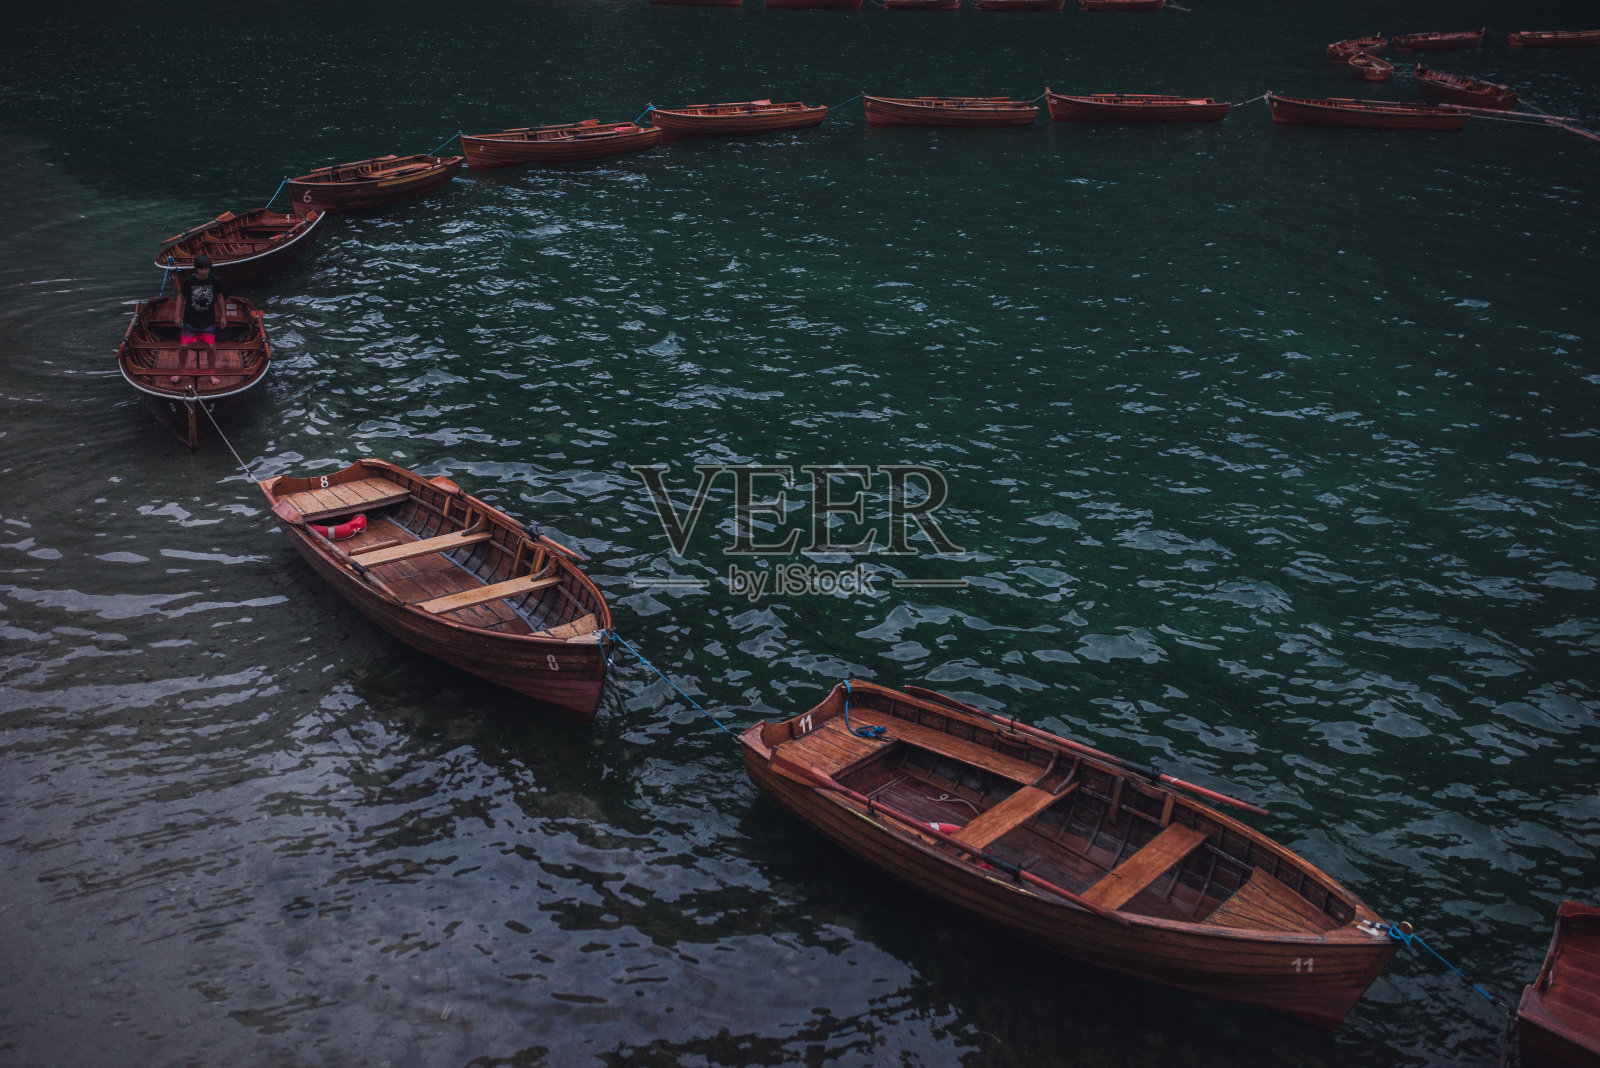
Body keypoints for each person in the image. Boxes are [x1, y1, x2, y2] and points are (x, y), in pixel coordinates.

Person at [175, 253, 224, 385]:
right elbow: (181, 297)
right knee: (184, 346)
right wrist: (177, 315)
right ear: (196, 268)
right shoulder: (189, 281)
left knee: (211, 347)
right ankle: (179, 372)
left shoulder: (215, 281)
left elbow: (219, 297)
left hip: (207, 321)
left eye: (207, 268)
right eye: (201, 268)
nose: (204, 271)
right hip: (190, 320)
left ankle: (212, 375)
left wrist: (223, 316)